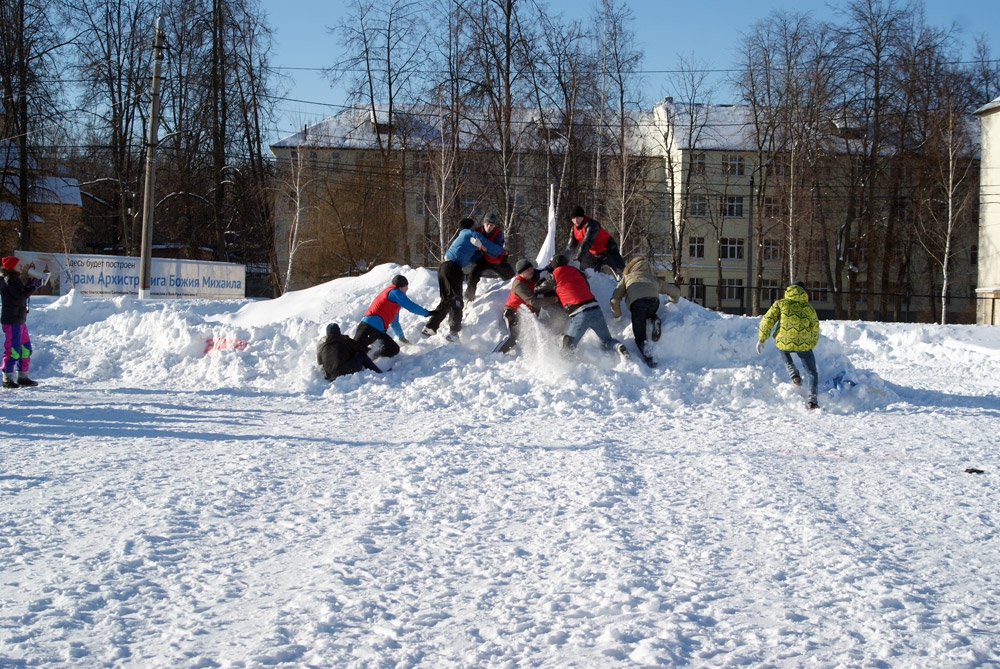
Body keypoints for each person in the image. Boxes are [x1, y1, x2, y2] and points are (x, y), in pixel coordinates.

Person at [423, 218, 504, 341]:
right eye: (474, 225)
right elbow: (492, 247)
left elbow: (471, 259)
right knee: (456, 300)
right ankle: (454, 332)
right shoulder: (471, 234)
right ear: (470, 226)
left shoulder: (463, 237)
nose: (477, 227)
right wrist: (500, 250)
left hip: (444, 268)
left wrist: (481, 250)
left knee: (447, 300)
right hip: (452, 268)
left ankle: (430, 327)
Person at [537, 254, 629, 360]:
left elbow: (538, 289)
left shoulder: (555, 275)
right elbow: (587, 286)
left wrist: (541, 278)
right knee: (607, 340)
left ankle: (569, 370)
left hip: (580, 313)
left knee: (568, 347)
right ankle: (619, 347)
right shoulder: (577, 271)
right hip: (595, 309)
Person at [756, 281, 821, 409]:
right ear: (804, 292)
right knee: (812, 372)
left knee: (783, 349)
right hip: (803, 343)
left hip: (784, 341)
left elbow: (767, 320)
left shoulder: (780, 304)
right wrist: (811, 343)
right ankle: (812, 401)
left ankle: (794, 374)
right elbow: (815, 327)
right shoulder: (808, 308)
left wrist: (762, 338)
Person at [609, 257, 681, 368]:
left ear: (631, 267)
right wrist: (671, 302)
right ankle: (654, 319)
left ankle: (649, 358)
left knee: (640, 336)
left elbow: (615, 297)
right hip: (654, 303)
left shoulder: (627, 278)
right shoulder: (653, 278)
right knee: (648, 312)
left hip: (638, 305)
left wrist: (617, 315)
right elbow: (675, 291)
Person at [354, 274, 433, 360]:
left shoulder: (393, 299)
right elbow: (411, 306)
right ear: (401, 287)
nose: (407, 289)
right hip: (368, 327)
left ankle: (371, 358)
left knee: (393, 349)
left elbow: (394, 322)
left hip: (378, 331)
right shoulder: (395, 292)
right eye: (406, 287)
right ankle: (357, 365)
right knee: (355, 350)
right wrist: (427, 313)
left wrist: (401, 337)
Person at [494, 259, 560, 354]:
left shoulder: (532, 275)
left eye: (531, 268)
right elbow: (533, 301)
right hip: (512, 311)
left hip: (529, 311)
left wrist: (554, 263)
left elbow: (545, 270)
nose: (531, 271)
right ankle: (496, 354)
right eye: (527, 270)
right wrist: (554, 300)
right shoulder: (519, 284)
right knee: (514, 336)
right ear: (521, 273)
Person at [1, 256, 44, 388]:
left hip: (19, 320)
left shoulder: (15, 280)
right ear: (12, 267)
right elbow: (19, 298)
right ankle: (7, 378)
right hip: (12, 321)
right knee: (13, 350)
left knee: (26, 349)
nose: (21, 267)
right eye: (18, 265)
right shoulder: (9, 280)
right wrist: (32, 288)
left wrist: (30, 285)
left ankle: (23, 376)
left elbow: (20, 294)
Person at [465, 212, 516, 302]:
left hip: (495, 260)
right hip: (482, 259)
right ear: (484, 223)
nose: (489, 227)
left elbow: (496, 250)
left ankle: (511, 295)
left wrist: (484, 247)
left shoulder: (498, 233)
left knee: (510, 276)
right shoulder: (478, 231)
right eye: (487, 224)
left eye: (492, 225)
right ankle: (469, 297)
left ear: (494, 226)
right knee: (473, 274)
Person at [564, 205, 626, 279]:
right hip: (594, 254)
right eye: (573, 218)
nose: (576, 220)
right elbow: (570, 248)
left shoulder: (591, 225)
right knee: (586, 272)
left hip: (608, 250)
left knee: (623, 272)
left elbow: (587, 242)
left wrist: (578, 259)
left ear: (583, 217)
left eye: (578, 217)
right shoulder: (573, 230)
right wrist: (563, 260)